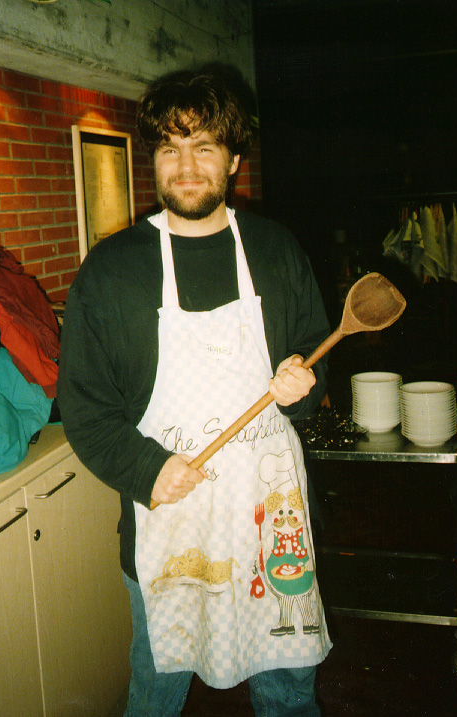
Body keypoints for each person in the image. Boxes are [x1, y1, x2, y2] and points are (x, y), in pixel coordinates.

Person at [57, 67, 332, 717]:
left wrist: (302, 383)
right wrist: (148, 469)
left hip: (272, 519)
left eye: (204, 147)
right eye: (170, 148)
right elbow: (85, 407)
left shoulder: (274, 250)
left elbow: (315, 358)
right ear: (153, 158)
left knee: (288, 692)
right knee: (157, 692)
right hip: (169, 519)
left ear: (233, 159)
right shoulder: (112, 271)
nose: (186, 167)